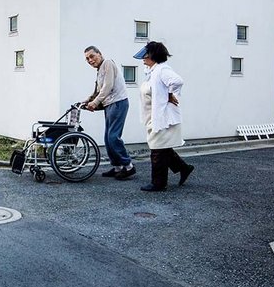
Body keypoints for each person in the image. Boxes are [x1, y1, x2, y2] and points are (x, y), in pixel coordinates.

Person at [134, 41, 193, 192]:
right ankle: (184, 168)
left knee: (157, 149)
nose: (143, 58)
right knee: (162, 148)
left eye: (146, 55)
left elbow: (178, 81)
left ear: (153, 55)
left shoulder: (162, 70)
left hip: (163, 118)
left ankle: (159, 183)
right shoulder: (152, 71)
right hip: (154, 116)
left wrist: (169, 94)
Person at [82, 46, 134, 180]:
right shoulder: (99, 70)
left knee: (113, 137)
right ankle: (117, 167)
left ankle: (128, 166)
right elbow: (98, 90)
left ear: (99, 54)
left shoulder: (108, 64)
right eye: (87, 59)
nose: (90, 60)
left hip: (118, 102)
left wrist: (95, 102)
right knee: (107, 137)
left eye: (92, 56)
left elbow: (108, 86)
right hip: (109, 104)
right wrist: (87, 100)